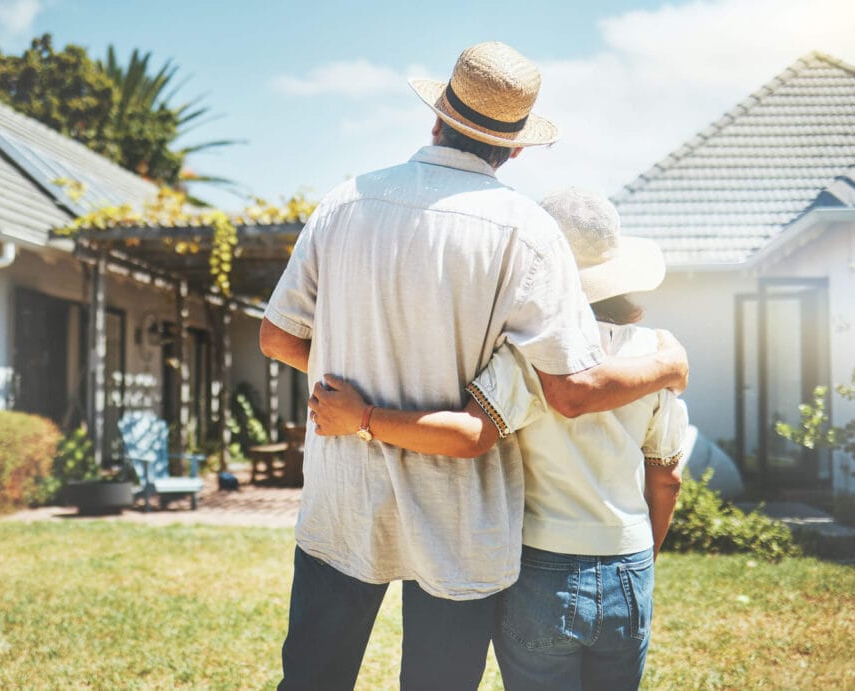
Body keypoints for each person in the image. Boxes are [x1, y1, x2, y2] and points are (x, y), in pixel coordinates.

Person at [260, 42, 689, 690]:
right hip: (457, 515)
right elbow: (569, 392)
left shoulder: (344, 201)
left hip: (343, 495)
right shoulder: (524, 229)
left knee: (314, 679)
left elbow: (275, 336)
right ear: (516, 147)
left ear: (436, 115)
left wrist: (350, 400)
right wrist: (668, 364)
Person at [309, 187, 688, 690]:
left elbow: (470, 433)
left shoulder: (528, 356)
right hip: (630, 567)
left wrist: (364, 417)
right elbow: (667, 478)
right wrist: (639, 557)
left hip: (544, 567)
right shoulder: (657, 354)